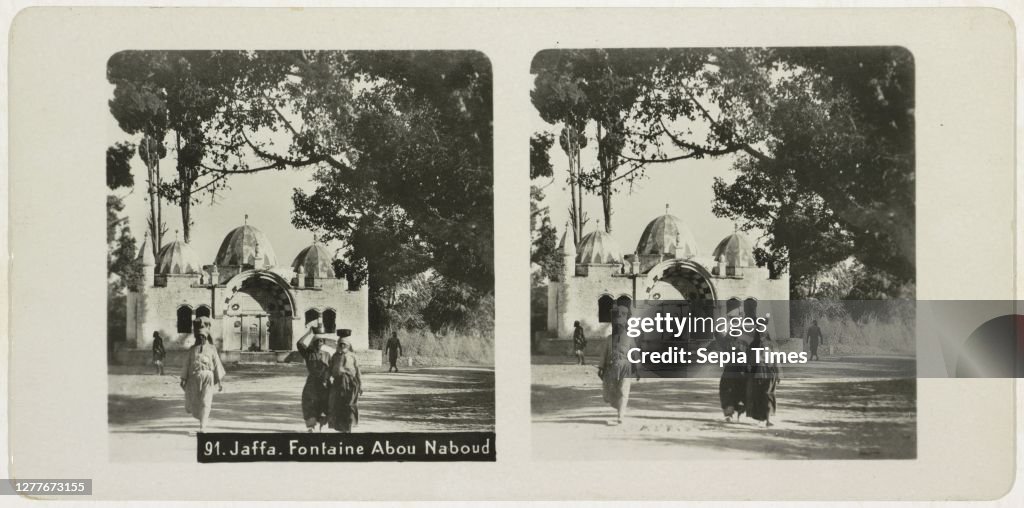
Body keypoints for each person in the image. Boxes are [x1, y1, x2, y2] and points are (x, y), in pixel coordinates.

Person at [179, 316, 226, 434]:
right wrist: (183, 379)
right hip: (194, 378)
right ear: (196, 337)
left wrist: (220, 382)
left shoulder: (212, 349)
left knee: (206, 401)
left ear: (206, 337)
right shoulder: (192, 349)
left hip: (208, 377)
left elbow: (217, 365)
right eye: (199, 336)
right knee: (194, 403)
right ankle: (201, 419)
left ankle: (202, 427)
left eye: (203, 336)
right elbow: (186, 365)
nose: (201, 338)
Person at [598, 305, 637, 426]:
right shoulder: (609, 339)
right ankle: (618, 406)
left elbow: (635, 355)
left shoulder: (630, 338)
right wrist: (601, 367)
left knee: (623, 391)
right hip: (611, 368)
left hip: (626, 368)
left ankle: (621, 415)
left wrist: (637, 370)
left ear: (624, 325)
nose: (618, 327)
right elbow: (604, 354)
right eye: (616, 325)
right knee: (608, 394)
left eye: (620, 325)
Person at [297, 324, 332, 432]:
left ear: (323, 343)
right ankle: (311, 426)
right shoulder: (308, 353)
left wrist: (327, 379)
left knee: (325, 403)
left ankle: (322, 424)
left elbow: (330, 369)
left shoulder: (327, 355)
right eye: (317, 341)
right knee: (309, 402)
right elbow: (299, 343)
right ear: (313, 342)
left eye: (321, 341)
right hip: (312, 381)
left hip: (324, 382)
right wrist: (309, 333)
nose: (319, 343)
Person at [746, 319, 780, 428]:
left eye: (763, 329)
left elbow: (775, 359)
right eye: (759, 329)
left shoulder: (770, 344)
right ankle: (762, 418)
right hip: (758, 373)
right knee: (760, 395)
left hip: (769, 373)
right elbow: (748, 360)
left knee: (768, 395)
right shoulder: (753, 344)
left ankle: (767, 419)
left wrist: (778, 373)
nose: (762, 332)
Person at [328, 329, 362, 432]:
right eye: (340, 344)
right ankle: (340, 427)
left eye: (344, 344)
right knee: (336, 405)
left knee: (349, 405)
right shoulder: (335, 356)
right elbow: (330, 369)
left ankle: (348, 427)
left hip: (350, 384)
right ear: (338, 344)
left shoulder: (353, 356)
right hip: (338, 384)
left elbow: (358, 372)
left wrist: (360, 386)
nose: (342, 346)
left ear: (348, 345)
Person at [718, 334, 749, 423]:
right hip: (731, 374)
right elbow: (718, 334)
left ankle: (737, 411)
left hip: (740, 374)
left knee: (741, 394)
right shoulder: (728, 346)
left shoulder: (745, 346)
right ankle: (730, 414)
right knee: (727, 393)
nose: (737, 343)